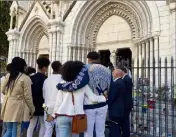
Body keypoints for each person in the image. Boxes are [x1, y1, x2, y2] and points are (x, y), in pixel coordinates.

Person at [57, 51, 113, 137]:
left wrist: (61, 86)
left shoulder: (85, 68)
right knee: (101, 132)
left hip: (89, 106)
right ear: (98, 59)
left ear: (89, 59)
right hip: (103, 104)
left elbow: (79, 84)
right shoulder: (108, 70)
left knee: (88, 133)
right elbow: (111, 86)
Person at [47, 61, 106, 137]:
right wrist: (104, 98)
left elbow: (58, 102)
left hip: (62, 115)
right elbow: (93, 98)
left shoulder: (61, 84)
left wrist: (53, 115)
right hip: (77, 116)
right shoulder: (83, 85)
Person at [1, 57, 35, 137]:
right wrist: (32, 109)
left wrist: (10, 95)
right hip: (18, 107)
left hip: (8, 105)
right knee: (16, 132)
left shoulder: (8, 76)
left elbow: (2, 89)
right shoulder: (26, 78)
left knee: (9, 130)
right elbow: (28, 97)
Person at [27, 57, 50, 137]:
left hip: (32, 104)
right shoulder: (45, 79)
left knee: (31, 125)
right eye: (47, 67)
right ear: (44, 67)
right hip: (43, 105)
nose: (47, 69)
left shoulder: (31, 78)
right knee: (43, 124)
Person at [43, 61, 62, 137]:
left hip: (47, 107)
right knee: (59, 131)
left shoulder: (46, 80)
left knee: (48, 130)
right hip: (58, 108)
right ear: (60, 68)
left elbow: (43, 94)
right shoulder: (62, 80)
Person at [108, 69, 126, 137]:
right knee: (116, 126)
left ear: (116, 74)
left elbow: (112, 96)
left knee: (114, 127)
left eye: (113, 73)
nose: (112, 74)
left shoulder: (116, 83)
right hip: (119, 108)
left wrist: (108, 104)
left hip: (115, 109)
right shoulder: (121, 82)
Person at [120, 67, 133, 137]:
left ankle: (125, 134)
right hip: (127, 103)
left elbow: (124, 92)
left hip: (126, 104)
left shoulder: (126, 79)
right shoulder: (127, 78)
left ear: (122, 72)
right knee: (125, 120)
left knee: (125, 121)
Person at [0, 63, 11, 136]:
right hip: (6, 102)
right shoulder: (10, 79)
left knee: (4, 125)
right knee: (7, 126)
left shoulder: (2, 79)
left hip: (2, 102)